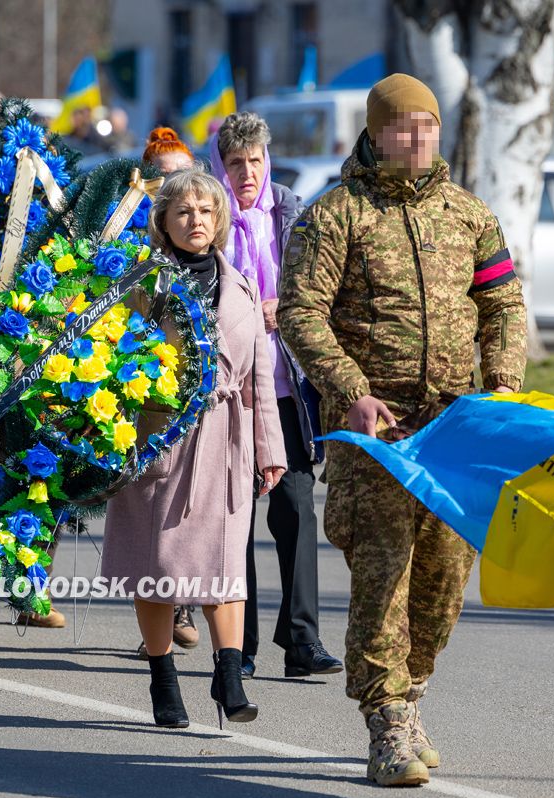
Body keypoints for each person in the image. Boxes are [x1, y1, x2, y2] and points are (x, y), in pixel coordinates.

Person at [277, 73, 527, 787]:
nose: (417, 141)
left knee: (445, 576)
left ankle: (411, 698)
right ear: (375, 131)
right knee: (383, 575)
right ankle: (385, 723)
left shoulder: (467, 213)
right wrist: (350, 391)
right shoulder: (335, 216)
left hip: (455, 430)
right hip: (373, 433)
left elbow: (503, 300)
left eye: (428, 128)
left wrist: (503, 382)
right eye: (403, 128)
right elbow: (300, 313)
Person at [102, 167, 286, 730]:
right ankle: (162, 678)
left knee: (227, 566)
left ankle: (229, 676)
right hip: (160, 439)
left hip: (226, 445)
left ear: (220, 220)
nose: (195, 220)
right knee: (156, 568)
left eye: (205, 211)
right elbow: (110, 363)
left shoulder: (242, 288)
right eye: (183, 212)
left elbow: (259, 379)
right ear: (163, 222)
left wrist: (268, 449)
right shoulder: (143, 283)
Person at [209, 111, 342, 681]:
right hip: (226, 393)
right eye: (236, 163)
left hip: (286, 389)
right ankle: (241, 645)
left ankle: (302, 640)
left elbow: (324, 288)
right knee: (235, 517)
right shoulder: (204, 213)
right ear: (221, 165)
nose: (247, 174)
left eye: (255, 162)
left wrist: (284, 307)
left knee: (294, 508)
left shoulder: (292, 214)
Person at [125, 125, 197, 653]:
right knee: (152, 502)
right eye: (164, 177)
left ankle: (185, 603)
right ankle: (160, 611)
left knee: (191, 506)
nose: (175, 187)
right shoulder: (128, 228)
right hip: (144, 387)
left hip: (199, 391)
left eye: (184, 176)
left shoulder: (206, 222)